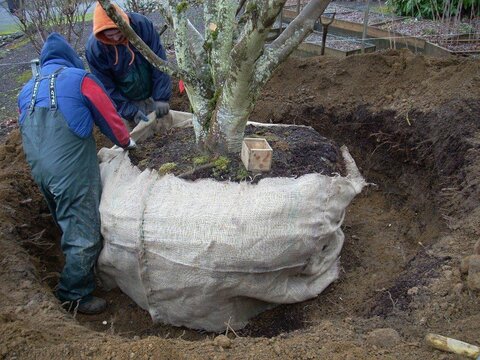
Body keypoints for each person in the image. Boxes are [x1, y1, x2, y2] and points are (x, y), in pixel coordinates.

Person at [17, 33, 136, 315]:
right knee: (84, 233)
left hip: (40, 169)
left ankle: (73, 262)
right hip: (69, 170)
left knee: (65, 219)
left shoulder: (26, 90)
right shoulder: (79, 79)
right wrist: (127, 143)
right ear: (70, 57)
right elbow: (109, 117)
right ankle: (73, 294)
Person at [86, 2, 172, 127]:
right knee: (135, 139)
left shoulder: (142, 26)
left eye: (118, 32)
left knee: (164, 129)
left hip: (152, 91)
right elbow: (106, 87)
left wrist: (161, 97)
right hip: (126, 100)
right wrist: (130, 112)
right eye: (110, 35)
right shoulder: (96, 49)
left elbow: (159, 63)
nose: (115, 38)